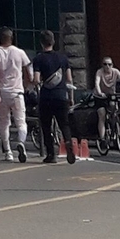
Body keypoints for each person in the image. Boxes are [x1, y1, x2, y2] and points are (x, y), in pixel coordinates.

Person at [29, 31, 76, 164]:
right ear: (53, 42)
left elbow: (37, 79)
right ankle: (68, 143)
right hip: (61, 95)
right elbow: (69, 79)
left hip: (46, 97)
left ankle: (51, 154)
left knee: (46, 125)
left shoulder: (39, 58)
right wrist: (71, 97)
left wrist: (35, 82)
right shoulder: (63, 58)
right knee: (64, 124)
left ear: (41, 43)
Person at [0, 28, 34, 163]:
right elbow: (29, 73)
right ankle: (21, 142)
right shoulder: (20, 53)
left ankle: (8, 151)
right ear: (12, 38)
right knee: (21, 121)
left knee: (3, 122)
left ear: (0, 38)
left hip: (2, 92)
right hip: (17, 92)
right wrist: (26, 85)